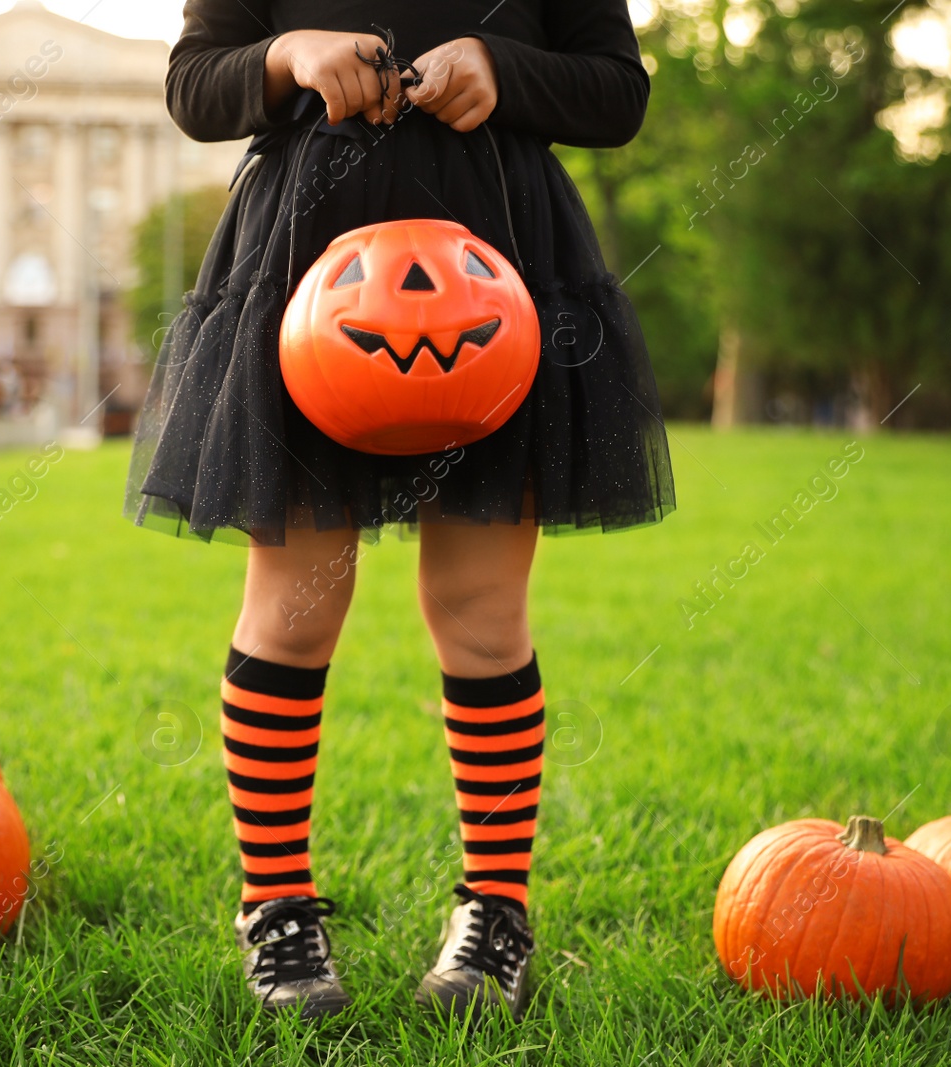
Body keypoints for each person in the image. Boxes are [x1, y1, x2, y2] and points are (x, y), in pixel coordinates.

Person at [124, 2, 674, 1020]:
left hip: (494, 274)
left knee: (479, 608)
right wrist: (290, 56)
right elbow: (194, 84)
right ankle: (274, 906)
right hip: (309, 275)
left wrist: (501, 68)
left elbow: (616, 88)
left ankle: (496, 913)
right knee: (291, 609)